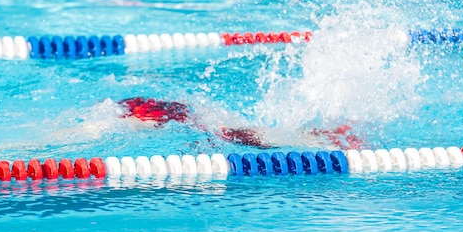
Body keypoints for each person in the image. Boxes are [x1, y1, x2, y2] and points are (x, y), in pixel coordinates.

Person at [117, 97, 363, 150]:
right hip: (176, 110)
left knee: (231, 135)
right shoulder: (127, 108)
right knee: (234, 132)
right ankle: (321, 135)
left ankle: (323, 137)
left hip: (172, 115)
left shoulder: (121, 116)